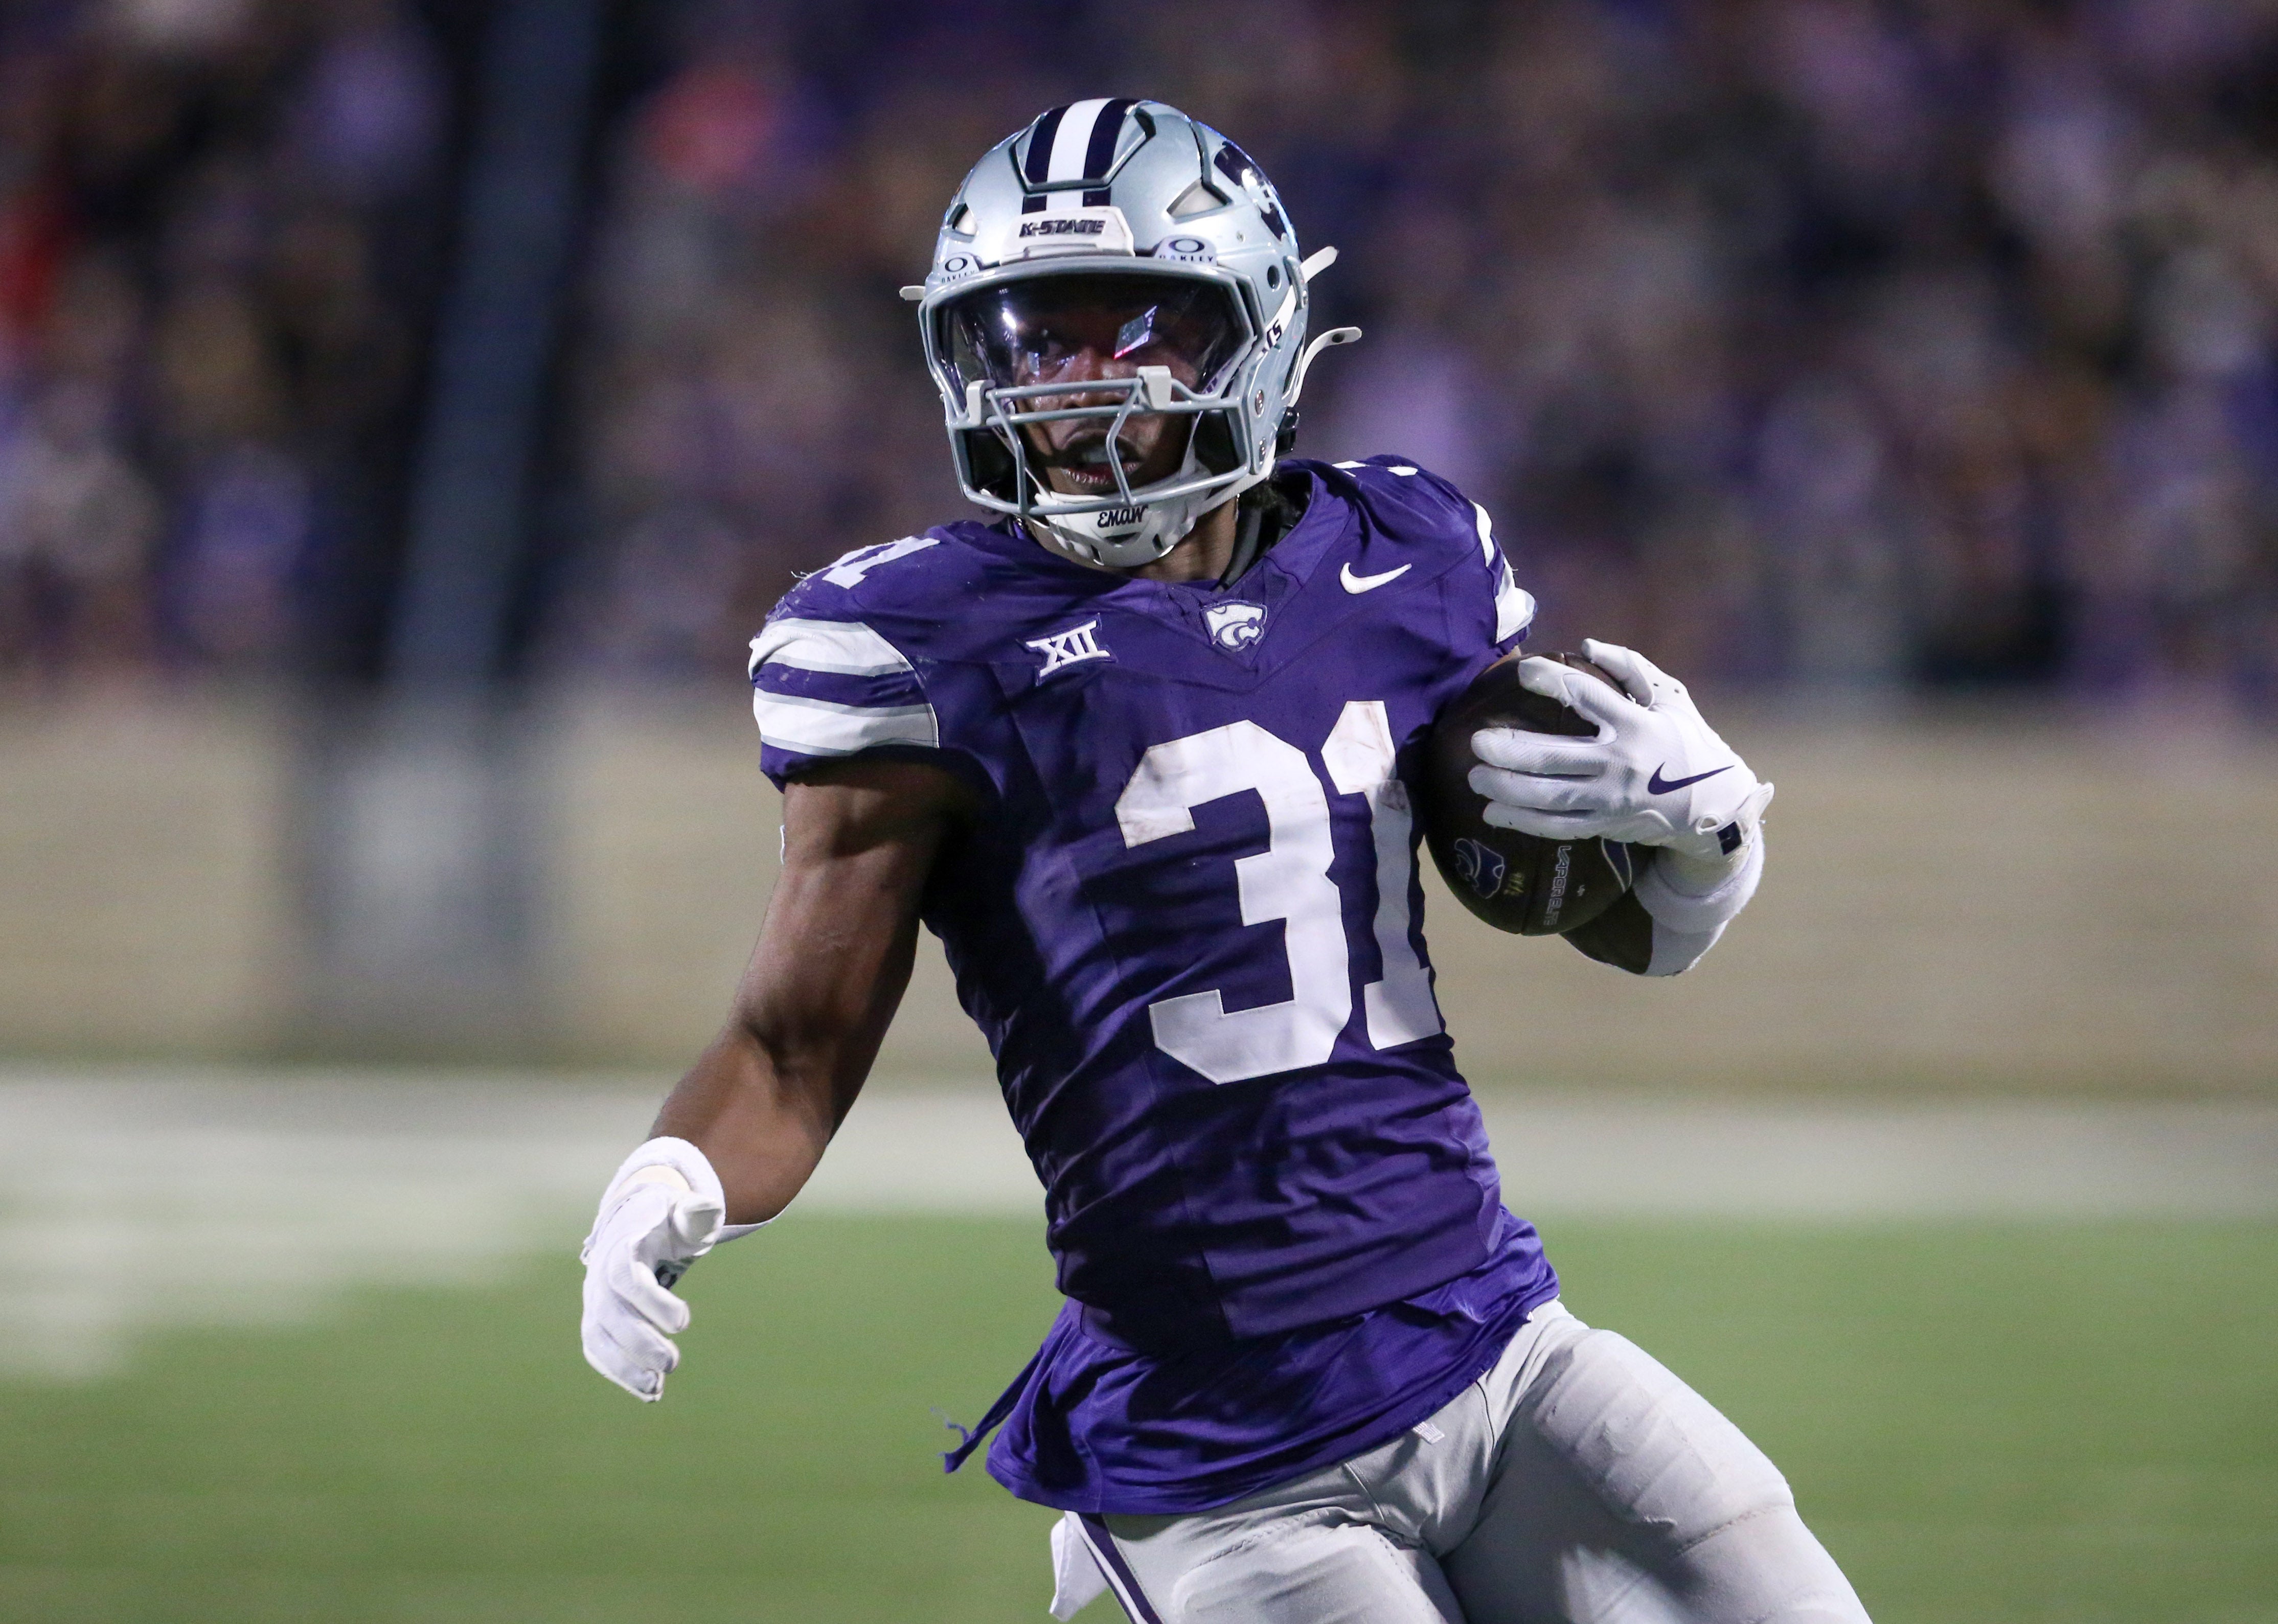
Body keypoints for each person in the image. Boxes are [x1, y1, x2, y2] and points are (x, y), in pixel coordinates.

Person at [579, 99, 1866, 1624]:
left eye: (1136, 326)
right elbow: (793, 1048)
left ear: (1258, 327)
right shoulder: (918, 644)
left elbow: (1607, 916)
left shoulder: (1404, 554)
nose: (1079, 383)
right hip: (1219, 1450)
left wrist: (1702, 842)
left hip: (1494, 1338)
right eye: (1034, 337)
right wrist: (680, 1168)